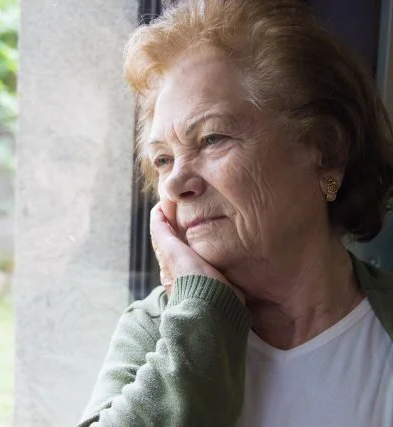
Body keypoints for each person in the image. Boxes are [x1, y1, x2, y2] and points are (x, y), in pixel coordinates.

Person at [77, 0, 393, 426]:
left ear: (327, 149)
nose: (173, 184)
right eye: (164, 159)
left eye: (210, 139)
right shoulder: (156, 328)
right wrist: (201, 318)